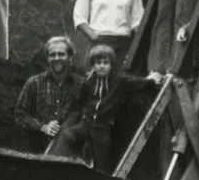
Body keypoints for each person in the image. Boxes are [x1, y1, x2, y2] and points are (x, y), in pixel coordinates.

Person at [47, 44, 161, 172]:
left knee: (103, 162)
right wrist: (62, 120)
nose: (101, 66)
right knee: (67, 135)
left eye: (105, 63)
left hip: (102, 128)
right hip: (86, 124)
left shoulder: (119, 81)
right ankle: (56, 166)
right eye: (98, 63)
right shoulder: (88, 82)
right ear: (93, 65)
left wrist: (151, 80)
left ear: (111, 64)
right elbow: (78, 103)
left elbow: (137, 84)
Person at [13, 36, 84, 153]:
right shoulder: (33, 83)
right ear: (47, 58)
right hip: (37, 149)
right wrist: (43, 127)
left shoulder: (82, 85)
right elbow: (20, 116)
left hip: (70, 152)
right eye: (52, 55)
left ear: (70, 57)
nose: (56, 58)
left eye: (61, 54)